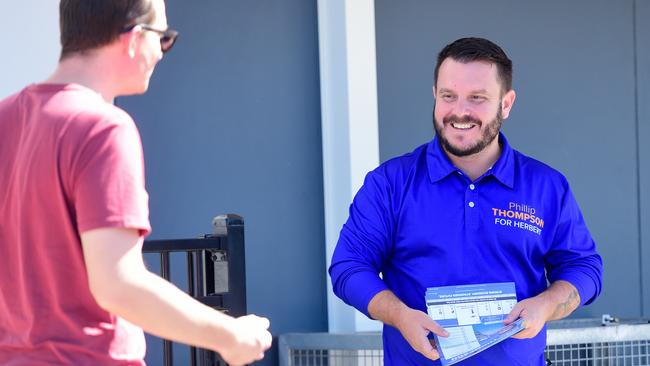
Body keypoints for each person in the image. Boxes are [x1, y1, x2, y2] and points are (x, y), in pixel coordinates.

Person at [0, 1, 272, 365]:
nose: (162, 54)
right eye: (164, 38)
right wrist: (231, 336)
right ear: (134, 37)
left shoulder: (6, 119)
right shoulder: (103, 128)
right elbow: (118, 284)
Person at [329, 37, 603, 365]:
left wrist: (545, 306)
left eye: (477, 98)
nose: (460, 111)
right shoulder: (390, 183)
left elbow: (583, 267)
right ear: (435, 95)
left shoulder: (546, 186)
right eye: (449, 96)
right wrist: (400, 315)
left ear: (506, 103)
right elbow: (349, 266)